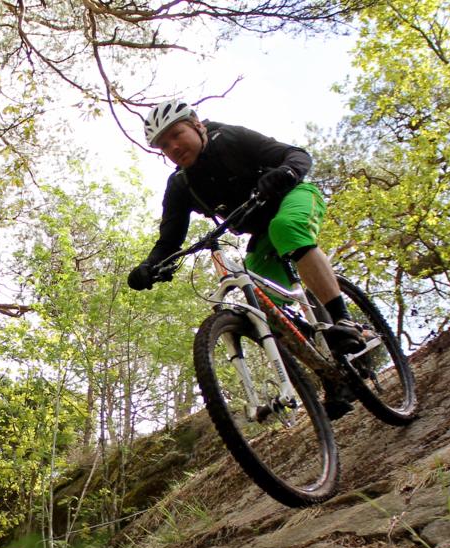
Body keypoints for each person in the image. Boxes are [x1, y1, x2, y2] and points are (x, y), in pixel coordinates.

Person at [127, 98, 363, 417]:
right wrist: (150, 266)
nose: (173, 147)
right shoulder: (180, 184)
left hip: (293, 199)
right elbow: (170, 239)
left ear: (197, 125)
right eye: (164, 145)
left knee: (286, 228)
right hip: (261, 235)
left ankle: (344, 321)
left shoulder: (231, 139)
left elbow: (296, 155)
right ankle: (332, 377)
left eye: (177, 134)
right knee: (259, 308)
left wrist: (284, 173)